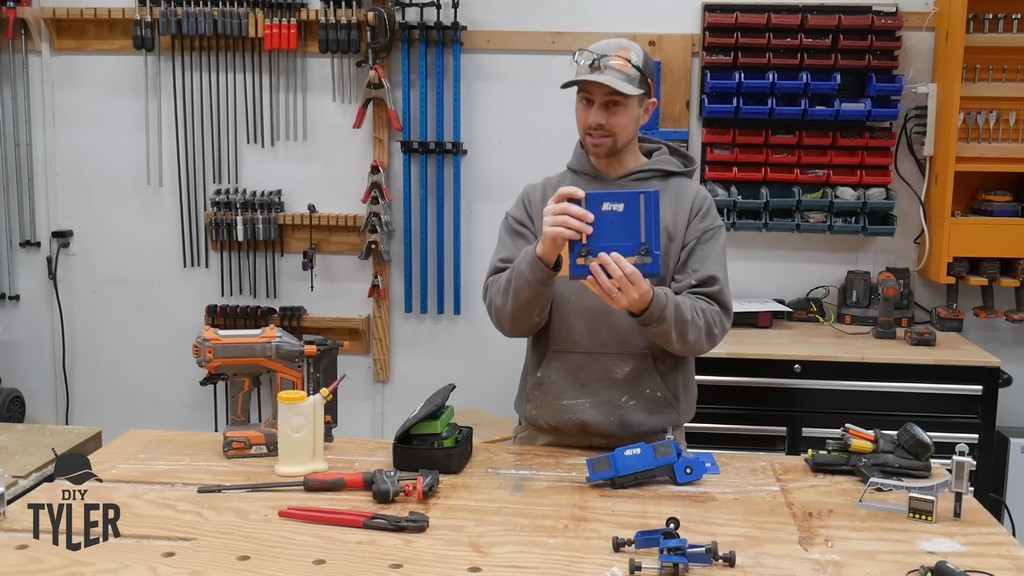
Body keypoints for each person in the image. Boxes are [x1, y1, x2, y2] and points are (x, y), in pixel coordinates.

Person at [482, 38, 733, 449]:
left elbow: (707, 327)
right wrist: (542, 258)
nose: (595, 117)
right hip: (546, 438)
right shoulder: (540, 201)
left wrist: (648, 305)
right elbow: (508, 320)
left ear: (645, 111)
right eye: (586, 101)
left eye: (613, 104)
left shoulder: (690, 204)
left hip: (652, 442)